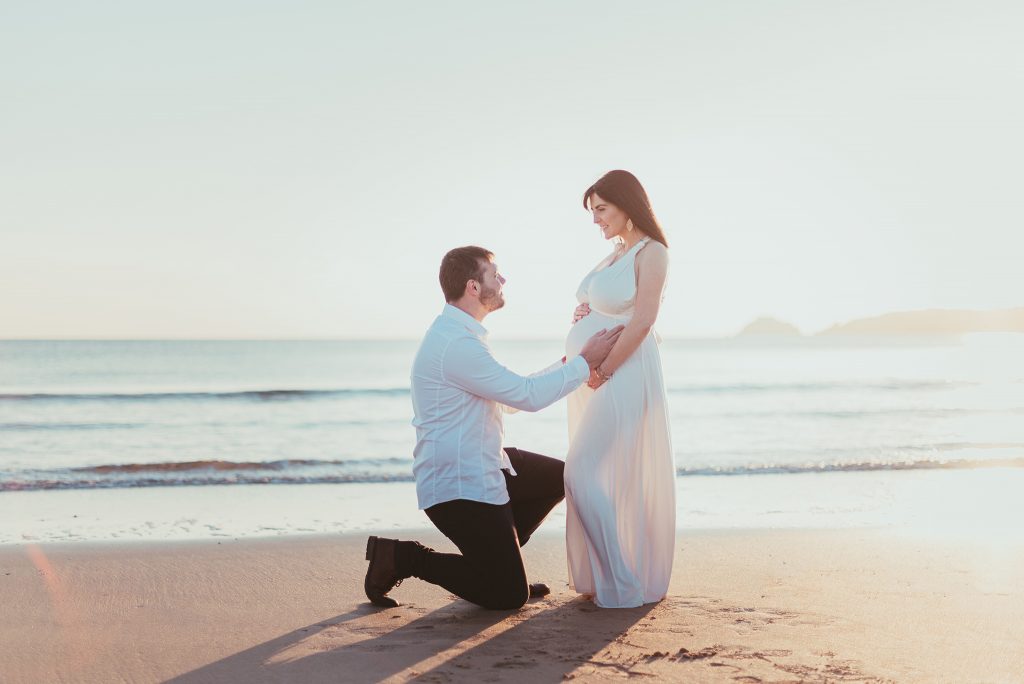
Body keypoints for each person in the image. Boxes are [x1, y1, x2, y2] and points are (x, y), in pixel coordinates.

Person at [364, 245, 623, 610]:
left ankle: (498, 564)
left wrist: (569, 363)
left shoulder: (462, 336)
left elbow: (507, 399)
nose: (502, 281)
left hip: (486, 464)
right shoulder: (455, 344)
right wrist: (583, 363)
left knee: (562, 476)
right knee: (507, 596)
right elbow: (526, 396)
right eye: (494, 274)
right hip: (457, 486)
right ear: (473, 287)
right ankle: (403, 558)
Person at [563, 170, 676, 608]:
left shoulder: (654, 253)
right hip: (597, 372)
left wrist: (603, 369)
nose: (595, 220)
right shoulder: (615, 254)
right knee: (598, 473)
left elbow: (644, 320)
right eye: (593, 211)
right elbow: (601, 303)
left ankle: (624, 582)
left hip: (624, 371)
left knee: (579, 471)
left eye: (601, 209)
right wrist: (584, 312)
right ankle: (606, 575)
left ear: (627, 205)